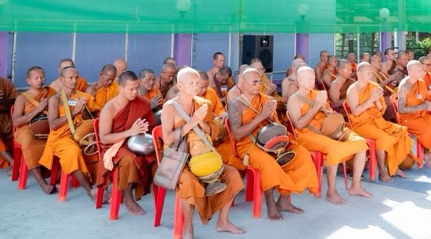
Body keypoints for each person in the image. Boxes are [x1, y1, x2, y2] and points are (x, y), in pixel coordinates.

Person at [160, 68, 244, 235]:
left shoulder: (204, 104)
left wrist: (201, 123)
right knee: (188, 182)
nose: (195, 86)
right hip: (181, 159)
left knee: (233, 174)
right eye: (191, 83)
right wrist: (192, 122)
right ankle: (188, 227)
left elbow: (213, 133)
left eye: (197, 83)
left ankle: (223, 221)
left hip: (204, 155)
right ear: (180, 86)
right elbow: (168, 139)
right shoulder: (170, 107)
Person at [228, 68, 318, 221]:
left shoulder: (265, 99)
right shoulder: (236, 104)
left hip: (272, 139)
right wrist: (261, 116)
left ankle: (283, 200)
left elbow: (275, 123)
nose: (258, 85)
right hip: (249, 145)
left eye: (259, 82)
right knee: (268, 162)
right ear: (243, 82)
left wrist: (270, 117)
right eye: (254, 82)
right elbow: (237, 134)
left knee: (301, 154)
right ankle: (270, 203)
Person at [287, 67, 371, 204]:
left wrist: (327, 111)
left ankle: (355, 186)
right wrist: (316, 106)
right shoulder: (294, 99)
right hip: (307, 135)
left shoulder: (318, 94)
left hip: (327, 130)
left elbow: (329, 114)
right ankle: (331, 192)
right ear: (299, 80)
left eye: (313, 78)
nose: (312, 81)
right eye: (308, 78)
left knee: (361, 143)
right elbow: (299, 125)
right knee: (334, 148)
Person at [97, 70, 156, 216]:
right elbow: (104, 138)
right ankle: (128, 198)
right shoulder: (109, 108)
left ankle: (156, 195)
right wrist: (130, 132)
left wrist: (143, 130)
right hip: (114, 146)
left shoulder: (142, 103)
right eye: (131, 89)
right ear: (120, 88)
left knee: (157, 156)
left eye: (136, 88)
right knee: (129, 159)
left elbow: (150, 126)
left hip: (136, 142)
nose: (135, 92)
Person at [346, 62, 412, 182]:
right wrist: (371, 99)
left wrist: (376, 101)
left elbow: (382, 110)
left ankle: (393, 166)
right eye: (368, 73)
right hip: (361, 124)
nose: (371, 75)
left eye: (371, 73)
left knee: (402, 132)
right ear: (359, 74)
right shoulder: (353, 89)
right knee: (383, 138)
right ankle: (382, 171)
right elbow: (355, 111)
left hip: (378, 121)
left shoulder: (374, 86)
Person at [40, 66, 97, 200]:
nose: (74, 81)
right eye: (70, 78)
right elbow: (53, 125)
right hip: (60, 138)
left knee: (97, 150)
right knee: (73, 152)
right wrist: (75, 112)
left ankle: (100, 185)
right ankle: (90, 191)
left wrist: (84, 111)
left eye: (76, 77)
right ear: (61, 79)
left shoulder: (82, 97)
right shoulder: (55, 99)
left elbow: (94, 117)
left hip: (79, 135)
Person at [396, 60, 431, 167]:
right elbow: (401, 109)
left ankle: (428, 153)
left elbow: (423, 99)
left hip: (422, 115)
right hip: (408, 119)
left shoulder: (420, 82)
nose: (422, 72)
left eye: (422, 70)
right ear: (410, 72)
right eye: (419, 70)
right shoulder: (405, 86)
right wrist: (423, 106)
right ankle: (428, 153)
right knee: (429, 129)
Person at [12, 66, 56, 194]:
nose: (40, 80)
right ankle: (42, 183)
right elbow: (16, 122)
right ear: (28, 81)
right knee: (29, 143)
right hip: (26, 129)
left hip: (48, 127)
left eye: (42, 77)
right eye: (36, 78)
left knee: (63, 142)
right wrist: (38, 109)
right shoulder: (22, 98)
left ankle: (56, 179)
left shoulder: (51, 93)